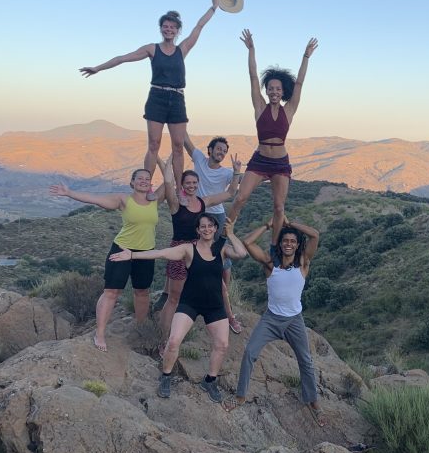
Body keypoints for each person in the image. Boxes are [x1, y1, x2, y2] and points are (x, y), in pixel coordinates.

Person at [79, 0, 220, 189]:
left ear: (177, 30)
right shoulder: (152, 49)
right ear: (161, 28)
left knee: (178, 146)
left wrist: (214, 8)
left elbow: (199, 26)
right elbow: (122, 58)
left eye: (172, 27)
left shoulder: (183, 49)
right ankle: (146, 185)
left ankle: (180, 190)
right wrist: (98, 68)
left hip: (177, 99)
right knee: (154, 144)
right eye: (165, 26)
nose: (168, 29)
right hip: (157, 98)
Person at [110, 214, 246, 401]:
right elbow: (161, 253)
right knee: (173, 341)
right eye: (202, 226)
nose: (206, 229)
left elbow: (242, 253)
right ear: (197, 230)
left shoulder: (222, 249)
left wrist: (230, 233)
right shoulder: (188, 249)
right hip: (189, 302)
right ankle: (166, 376)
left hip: (214, 306)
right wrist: (132, 255)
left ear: (215, 228)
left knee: (222, 345)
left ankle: (210, 380)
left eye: (210, 226)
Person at [222, 217, 325, 426]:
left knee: (305, 361)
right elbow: (248, 243)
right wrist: (268, 226)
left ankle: (313, 402)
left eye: (292, 241)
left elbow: (315, 234)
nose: (288, 244)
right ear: (280, 243)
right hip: (271, 319)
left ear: (298, 245)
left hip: (294, 320)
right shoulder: (270, 265)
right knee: (250, 352)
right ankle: (240, 396)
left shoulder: (304, 263)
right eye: (285, 241)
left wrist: (290, 224)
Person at [48, 169, 160, 351]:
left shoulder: (155, 200)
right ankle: (100, 333)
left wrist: (168, 161)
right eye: (139, 178)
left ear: (151, 183)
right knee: (111, 292)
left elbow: (171, 181)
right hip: (122, 250)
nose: (144, 181)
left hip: (145, 253)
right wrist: (69, 193)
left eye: (147, 179)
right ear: (132, 183)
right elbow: (96, 199)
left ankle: (140, 328)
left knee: (142, 291)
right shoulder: (123, 199)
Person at [226, 30, 318, 242]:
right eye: (270, 88)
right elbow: (252, 76)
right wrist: (251, 50)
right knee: (241, 197)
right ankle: (225, 232)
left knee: (279, 207)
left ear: (282, 90)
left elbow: (299, 84)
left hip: (280, 163)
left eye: (278, 89)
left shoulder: (289, 109)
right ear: (266, 90)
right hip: (260, 160)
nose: (274, 91)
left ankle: (276, 244)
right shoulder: (259, 106)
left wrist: (305, 57)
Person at [156, 156, 235, 342]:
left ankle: (229, 317)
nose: (191, 185)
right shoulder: (176, 203)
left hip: (201, 251)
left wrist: (237, 171)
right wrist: (166, 167)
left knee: (220, 287)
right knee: (174, 298)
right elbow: (168, 184)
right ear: (182, 185)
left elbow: (231, 192)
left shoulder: (203, 202)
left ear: (198, 184)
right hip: (180, 251)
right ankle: (162, 340)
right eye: (187, 183)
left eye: (194, 182)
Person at [184, 132, 245, 334]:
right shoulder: (200, 158)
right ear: (210, 150)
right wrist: (176, 112)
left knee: (220, 257)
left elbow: (233, 191)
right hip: (197, 212)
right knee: (194, 254)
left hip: (216, 216)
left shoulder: (227, 173)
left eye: (224, 151)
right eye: (219, 149)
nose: (221, 153)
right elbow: (185, 140)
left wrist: (236, 171)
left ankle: (223, 297)